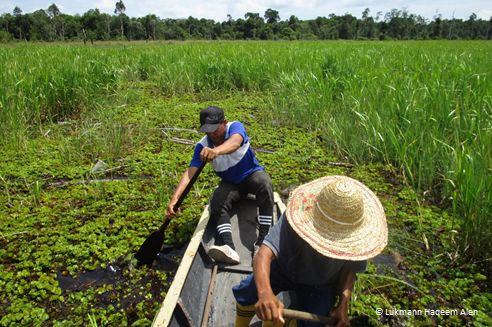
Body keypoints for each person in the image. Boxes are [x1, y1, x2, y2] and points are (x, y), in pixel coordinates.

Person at [233, 175, 388, 327]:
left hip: (320, 284)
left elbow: (350, 271)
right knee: (249, 290)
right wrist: (265, 292)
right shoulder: (296, 218)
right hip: (284, 268)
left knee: (313, 324)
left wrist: (343, 304)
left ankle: (280, 322)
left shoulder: (358, 241)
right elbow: (263, 255)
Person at [166, 106, 274, 265]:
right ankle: (228, 247)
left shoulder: (235, 127)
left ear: (224, 122)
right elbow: (190, 173)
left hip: (251, 176)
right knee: (217, 201)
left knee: (265, 183)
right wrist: (175, 199)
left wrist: (216, 151)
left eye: (215, 129)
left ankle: (263, 241)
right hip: (231, 184)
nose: (212, 134)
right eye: (207, 131)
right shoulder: (202, 147)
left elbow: (235, 143)